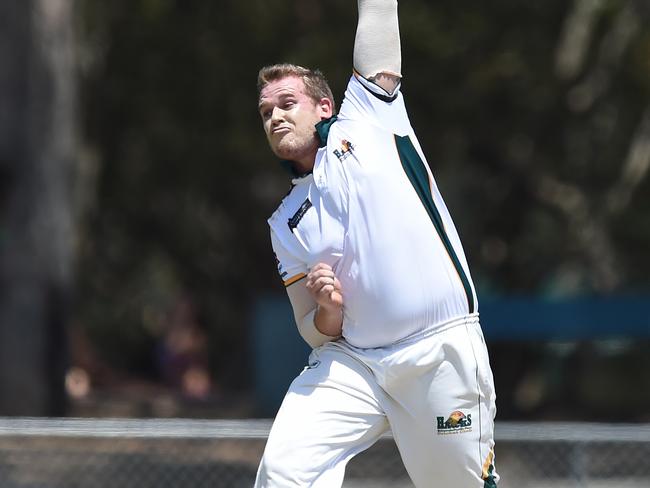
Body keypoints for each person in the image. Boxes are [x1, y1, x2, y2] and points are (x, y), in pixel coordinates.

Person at [254, 1, 498, 486]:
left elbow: (380, 17)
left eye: (287, 104)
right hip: (356, 362)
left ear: (325, 106)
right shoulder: (284, 222)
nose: (275, 117)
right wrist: (327, 307)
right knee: (284, 471)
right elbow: (313, 329)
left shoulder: (368, 118)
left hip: (438, 350)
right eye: (265, 112)